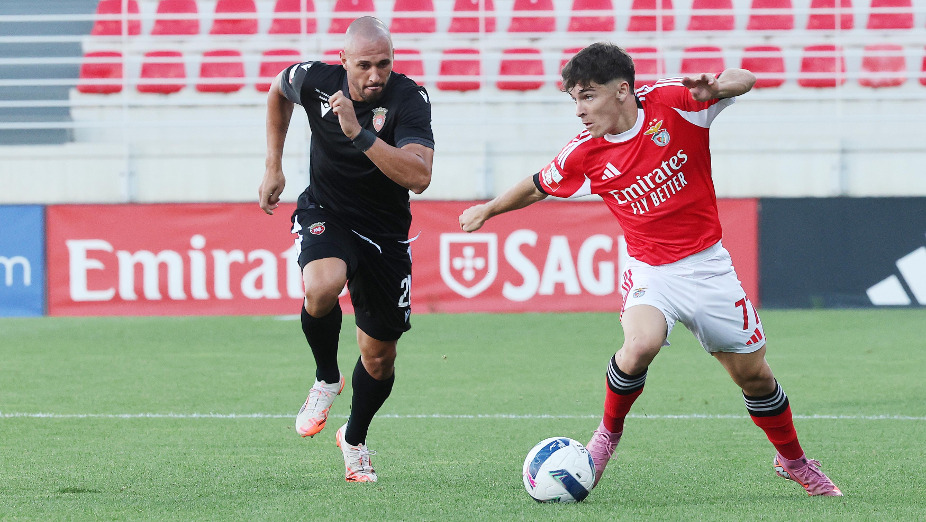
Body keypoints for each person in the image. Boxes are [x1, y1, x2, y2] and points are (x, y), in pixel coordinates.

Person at [459, 42, 842, 497]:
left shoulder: (675, 101)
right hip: (650, 270)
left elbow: (746, 78)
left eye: (587, 96)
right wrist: (489, 209)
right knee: (641, 344)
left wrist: (716, 87)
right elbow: (538, 186)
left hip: (708, 267)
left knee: (754, 376)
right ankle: (605, 437)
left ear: (622, 90)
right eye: (574, 100)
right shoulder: (585, 153)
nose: (579, 110)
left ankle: (793, 461)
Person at [258, 16, 434, 483]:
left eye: (384, 64)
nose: (375, 75)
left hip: (386, 234)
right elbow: (277, 89)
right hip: (327, 212)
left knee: (379, 358)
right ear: (343, 61)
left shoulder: (408, 99)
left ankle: (353, 439)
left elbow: (419, 176)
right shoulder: (316, 80)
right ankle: (326, 378)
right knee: (320, 286)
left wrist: (360, 133)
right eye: (364, 66)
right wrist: (273, 166)